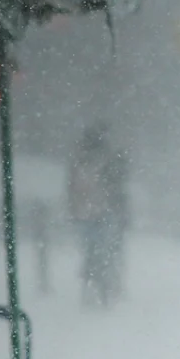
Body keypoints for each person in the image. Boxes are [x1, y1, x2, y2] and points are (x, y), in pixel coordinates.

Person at [67, 122, 130, 306]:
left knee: (93, 249)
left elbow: (73, 188)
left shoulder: (81, 161)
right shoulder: (106, 161)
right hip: (99, 212)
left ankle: (94, 280)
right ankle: (103, 281)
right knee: (103, 249)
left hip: (87, 212)